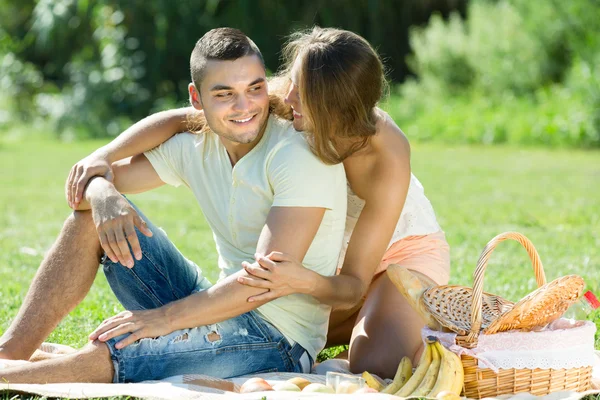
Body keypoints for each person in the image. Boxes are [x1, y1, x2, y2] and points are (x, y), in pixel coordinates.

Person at [64, 27, 450, 379]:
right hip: (326, 258)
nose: (286, 95)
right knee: (269, 321)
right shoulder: (299, 99)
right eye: (291, 82)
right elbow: (184, 119)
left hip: (396, 260)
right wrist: (104, 157)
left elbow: (351, 284)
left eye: (300, 91)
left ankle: (431, 325)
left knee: (376, 365)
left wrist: (307, 280)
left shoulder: (386, 157)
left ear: (333, 103)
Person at [0, 27, 347, 383]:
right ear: (197, 98)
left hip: (278, 340)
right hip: (212, 304)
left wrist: (161, 320)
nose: (245, 107)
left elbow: (260, 283)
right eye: (225, 94)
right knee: (90, 218)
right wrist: (103, 194)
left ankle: (10, 377)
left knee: (124, 344)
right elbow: (83, 189)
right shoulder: (198, 145)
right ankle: (9, 355)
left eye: (254, 88)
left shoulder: (296, 155)